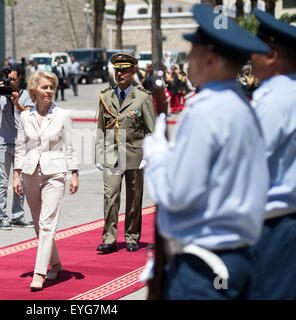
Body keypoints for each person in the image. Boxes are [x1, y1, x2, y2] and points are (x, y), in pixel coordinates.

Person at [142, 4, 270, 299]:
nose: (187, 58)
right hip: (233, 257)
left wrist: (157, 151)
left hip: (203, 265)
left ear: (210, 59)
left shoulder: (206, 111)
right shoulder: (239, 106)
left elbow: (177, 194)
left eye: (193, 50)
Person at [13, 70, 79, 291]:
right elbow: (21, 146)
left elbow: (70, 146)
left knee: (47, 223)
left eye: (51, 87)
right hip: (30, 173)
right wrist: (16, 174)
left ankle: (39, 272)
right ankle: (57, 263)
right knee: (39, 224)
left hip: (55, 173)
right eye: (44, 87)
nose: (48, 91)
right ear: (34, 90)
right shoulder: (25, 116)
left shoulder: (62, 115)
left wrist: (74, 173)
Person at [248, 9, 296, 299]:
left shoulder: (275, 99)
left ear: (271, 53)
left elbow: (244, 163)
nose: (249, 58)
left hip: (276, 225)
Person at [94, 52, 155, 254]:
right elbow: (101, 129)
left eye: (124, 71)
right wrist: (99, 155)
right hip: (112, 155)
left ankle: (131, 236)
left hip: (135, 155)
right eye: (117, 70)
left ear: (133, 72)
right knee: (110, 196)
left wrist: (148, 156)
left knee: (134, 198)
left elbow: (150, 130)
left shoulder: (143, 97)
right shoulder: (105, 96)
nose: (119, 74)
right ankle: (109, 238)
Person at [0, 66, 34, 230]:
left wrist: (16, 103)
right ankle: (2, 217)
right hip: (3, 143)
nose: (11, 82)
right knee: (2, 182)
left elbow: (28, 116)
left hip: (22, 145)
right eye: (9, 80)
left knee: (21, 182)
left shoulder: (26, 96)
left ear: (19, 79)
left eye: (13, 79)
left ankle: (18, 216)